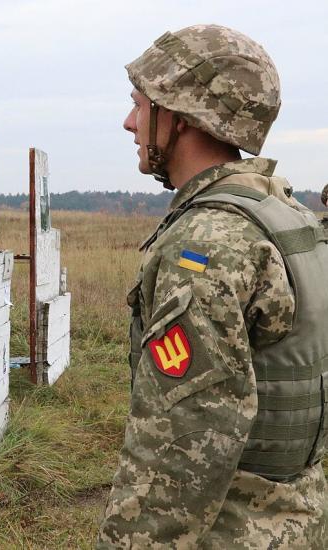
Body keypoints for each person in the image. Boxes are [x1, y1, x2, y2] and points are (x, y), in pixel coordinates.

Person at [98, 25, 328, 547]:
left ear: (179, 118)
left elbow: (184, 438)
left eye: (140, 105)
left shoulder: (206, 242)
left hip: (227, 528)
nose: (130, 122)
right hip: (297, 519)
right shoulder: (284, 214)